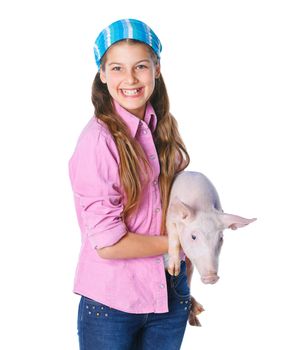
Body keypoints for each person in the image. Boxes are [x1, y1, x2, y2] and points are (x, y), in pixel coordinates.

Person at [68, 18, 200, 350]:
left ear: (157, 68)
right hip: (112, 307)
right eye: (117, 68)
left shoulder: (162, 129)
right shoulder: (99, 142)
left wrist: (183, 288)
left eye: (140, 66)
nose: (129, 79)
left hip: (168, 298)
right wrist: (179, 243)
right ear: (102, 74)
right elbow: (109, 244)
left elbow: (170, 214)